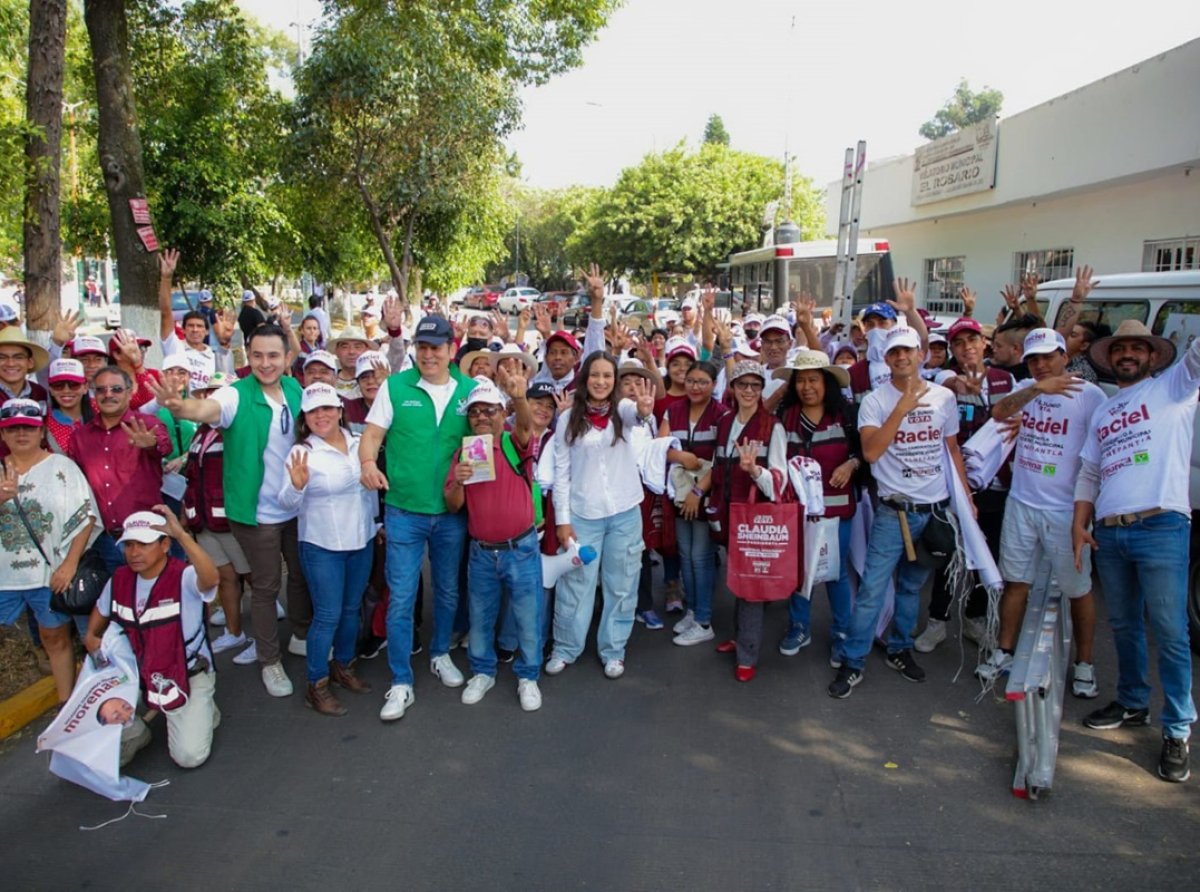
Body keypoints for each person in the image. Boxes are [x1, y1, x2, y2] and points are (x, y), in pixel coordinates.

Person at [147, 324, 310, 700]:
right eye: (256, 356)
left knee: (300, 576)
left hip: (296, 505)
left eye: (273, 355)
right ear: (246, 357)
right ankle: (269, 661)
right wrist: (180, 405)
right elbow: (208, 408)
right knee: (267, 586)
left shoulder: (294, 390)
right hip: (255, 513)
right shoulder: (236, 395)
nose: (265, 363)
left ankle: (301, 634)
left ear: (287, 358)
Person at [1073, 319, 1199, 783]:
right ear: (1110, 358)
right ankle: (1132, 702)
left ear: (1153, 356)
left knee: (1169, 631)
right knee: (1124, 624)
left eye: (1137, 348)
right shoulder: (1105, 410)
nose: (1128, 355)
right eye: (1120, 349)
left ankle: (1178, 728)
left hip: (1161, 525)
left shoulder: (1176, 388)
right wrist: (1078, 525)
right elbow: (1089, 472)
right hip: (1110, 530)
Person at [829, 327, 972, 699]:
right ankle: (853, 660)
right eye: (894, 353)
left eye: (907, 351)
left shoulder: (943, 397)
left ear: (921, 353)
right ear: (886, 359)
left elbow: (952, 449)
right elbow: (872, 453)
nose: (901, 358)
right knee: (873, 589)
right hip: (895, 513)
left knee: (911, 587)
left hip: (934, 509)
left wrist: (966, 499)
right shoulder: (875, 402)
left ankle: (899, 649)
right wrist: (901, 409)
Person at [360, 314, 478, 721]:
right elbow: (372, 435)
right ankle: (400, 681)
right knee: (402, 598)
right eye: (422, 348)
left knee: (447, 591)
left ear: (451, 348)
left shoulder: (471, 390)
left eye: (436, 348)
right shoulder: (395, 387)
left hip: (450, 513)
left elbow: (483, 444)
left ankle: (441, 653)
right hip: (403, 510)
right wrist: (366, 463)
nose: (428, 355)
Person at [979, 329, 1105, 696]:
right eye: (1034, 358)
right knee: (1017, 581)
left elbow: (1099, 453)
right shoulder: (1025, 387)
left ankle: (1084, 664)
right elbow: (998, 412)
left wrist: (1088, 509)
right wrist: (1038, 389)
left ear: (1065, 356)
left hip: (1065, 509)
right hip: (1022, 501)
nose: (1041, 364)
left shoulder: (1089, 395)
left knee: (1077, 589)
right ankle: (1003, 652)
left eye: (1048, 357)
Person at [547, 351, 656, 680]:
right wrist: (562, 520)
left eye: (608, 376)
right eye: (595, 375)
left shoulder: (622, 411)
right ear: (585, 378)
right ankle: (565, 648)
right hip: (583, 515)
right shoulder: (568, 419)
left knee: (621, 583)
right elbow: (561, 473)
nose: (601, 382)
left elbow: (636, 415)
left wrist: (643, 410)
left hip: (624, 513)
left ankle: (613, 650)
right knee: (577, 584)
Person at [84, 507, 221, 769]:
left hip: (185, 673)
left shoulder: (184, 576)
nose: (134, 553)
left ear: (165, 544)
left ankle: (202, 705)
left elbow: (211, 577)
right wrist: (90, 635)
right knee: (98, 717)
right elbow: (102, 609)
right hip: (137, 672)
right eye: (129, 545)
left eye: (143, 544)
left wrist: (182, 535)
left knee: (189, 757)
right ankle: (141, 725)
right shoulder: (120, 578)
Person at [444, 370, 544, 711]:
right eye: (476, 412)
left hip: (522, 547)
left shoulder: (512, 441)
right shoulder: (464, 454)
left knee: (527, 617)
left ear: (503, 414)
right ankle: (482, 672)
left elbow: (528, 428)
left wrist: (519, 396)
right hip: (483, 553)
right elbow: (453, 505)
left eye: (490, 410)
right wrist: (458, 481)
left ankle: (528, 676)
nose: (482, 417)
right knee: (480, 617)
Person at [915, 314, 1015, 652]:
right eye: (958, 343)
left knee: (987, 553)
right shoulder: (946, 381)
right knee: (948, 554)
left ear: (984, 343)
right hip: (955, 486)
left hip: (998, 486)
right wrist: (958, 385)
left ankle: (974, 619)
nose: (966, 348)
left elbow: (1024, 409)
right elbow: (944, 383)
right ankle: (937, 622)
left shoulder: (1005, 380)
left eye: (971, 340)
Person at [279, 383, 376, 717]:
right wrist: (296, 486)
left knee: (352, 610)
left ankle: (343, 666)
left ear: (339, 410)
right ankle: (316, 685)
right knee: (328, 615)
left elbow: (369, 488)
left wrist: (377, 525)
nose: (321, 416)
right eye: (313, 410)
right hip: (322, 544)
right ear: (305, 416)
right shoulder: (302, 453)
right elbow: (286, 503)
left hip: (360, 539)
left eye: (327, 408)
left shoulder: (358, 443)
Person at [0, 399, 97, 702]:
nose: (21, 434)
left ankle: (65, 703)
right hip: (6, 577)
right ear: (3, 434)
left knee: (54, 637)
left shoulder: (61, 467)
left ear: (41, 430)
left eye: (28, 427)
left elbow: (86, 517)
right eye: (12, 429)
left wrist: (69, 564)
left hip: (48, 573)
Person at [774, 349, 859, 663]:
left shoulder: (846, 415)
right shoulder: (786, 417)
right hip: (798, 511)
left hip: (838, 511)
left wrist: (851, 464)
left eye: (813, 379)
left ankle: (842, 631)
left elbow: (864, 452)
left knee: (834, 573)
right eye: (800, 380)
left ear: (827, 382)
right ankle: (799, 626)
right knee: (801, 571)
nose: (807, 386)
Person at [710, 360, 789, 681]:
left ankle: (748, 653)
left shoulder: (773, 427)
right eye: (742, 384)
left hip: (755, 520)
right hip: (727, 515)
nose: (748, 391)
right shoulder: (726, 421)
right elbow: (717, 465)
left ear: (762, 389)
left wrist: (755, 471)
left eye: (755, 385)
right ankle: (741, 636)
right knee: (737, 580)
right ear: (733, 388)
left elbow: (780, 481)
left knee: (751, 587)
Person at [69, 366, 171, 573]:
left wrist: (150, 443)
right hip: (103, 539)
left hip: (146, 536)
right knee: (112, 601)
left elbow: (164, 446)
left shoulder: (147, 424)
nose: (108, 395)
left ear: (129, 390)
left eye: (116, 389)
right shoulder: (80, 436)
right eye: (101, 390)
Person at [180, 372, 251, 657]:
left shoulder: (238, 428)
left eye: (218, 392)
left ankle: (264, 641)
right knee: (226, 578)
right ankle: (235, 633)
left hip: (233, 521)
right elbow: (194, 474)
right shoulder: (201, 431)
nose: (211, 397)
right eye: (208, 391)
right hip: (205, 521)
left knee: (256, 582)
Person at [659, 359, 728, 645]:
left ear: (713, 385)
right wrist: (680, 457)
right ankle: (693, 609)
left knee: (701, 556)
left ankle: (704, 619)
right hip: (678, 494)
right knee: (685, 554)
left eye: (703, 382)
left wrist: (698, 493)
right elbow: (659, 447)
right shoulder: (672, 410)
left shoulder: (722, 414)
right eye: (691, 380)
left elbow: (722, 460)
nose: (696, 387)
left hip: (704, 497)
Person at [158, 249, 219, 391]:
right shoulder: (174, 346)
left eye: (199, 326)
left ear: (206, 331)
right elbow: (166, 313)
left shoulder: (212, 355)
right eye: (190, 326)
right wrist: (166, 278)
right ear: (183, 329)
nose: (195, 329)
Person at [44, 358, 90, 455]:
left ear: (85, 387)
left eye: (74, 385)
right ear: (50, 389)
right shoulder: (43, 418)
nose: (66, 390)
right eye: (58, 385)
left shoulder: (100, 409)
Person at [0, 327, 49, 413]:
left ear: (30, 363)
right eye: (2, 358)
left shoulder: (39, 392)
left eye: (18, 357)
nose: (11, 363)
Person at [327, 328, 379, 398]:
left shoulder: (377, 380)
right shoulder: (328, 381)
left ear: (367, 351)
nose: (351, 351)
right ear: (337, 351)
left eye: (357, 347)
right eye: (345, 347)